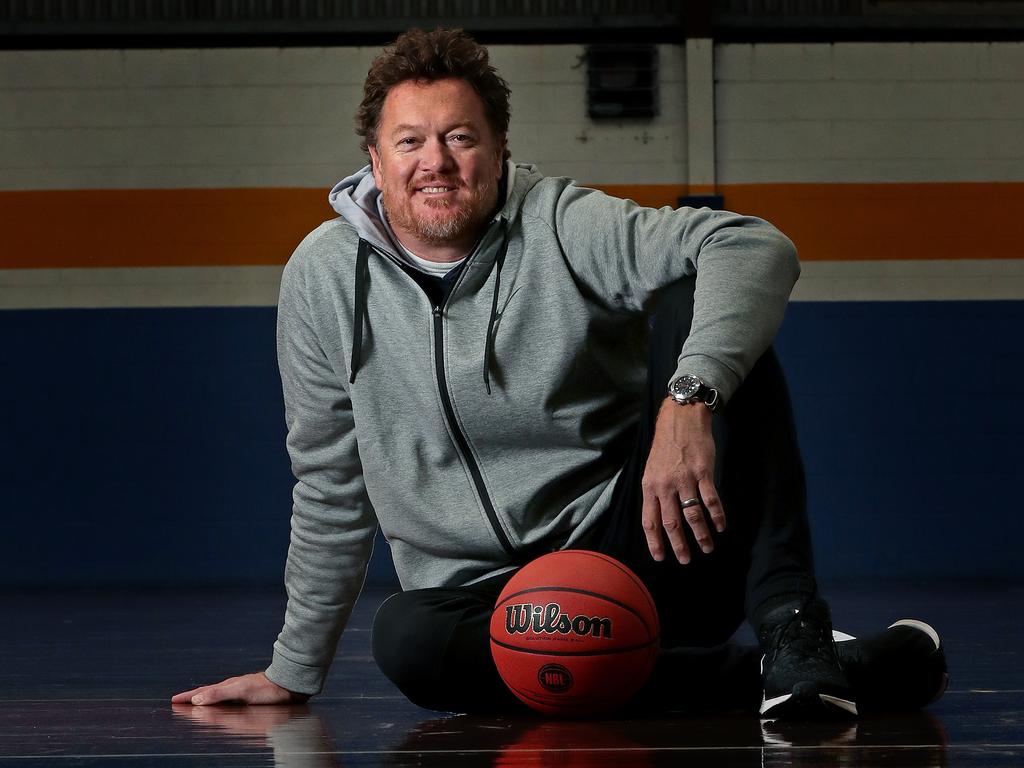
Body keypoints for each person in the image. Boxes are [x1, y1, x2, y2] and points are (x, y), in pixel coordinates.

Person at [172, 28, 947, 718]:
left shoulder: (559, 220)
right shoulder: (322, 278)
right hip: (489, 606)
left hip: (654, 547)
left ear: (498, 147)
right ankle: (801, 678)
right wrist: (294, 670)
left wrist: (688, 396)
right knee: (406, 638)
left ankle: (791, 625)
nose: (435, 161)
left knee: (695, 309)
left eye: (460, 138)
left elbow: (752, 247)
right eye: (409, 142)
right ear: (373, 158)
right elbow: (330, 483)